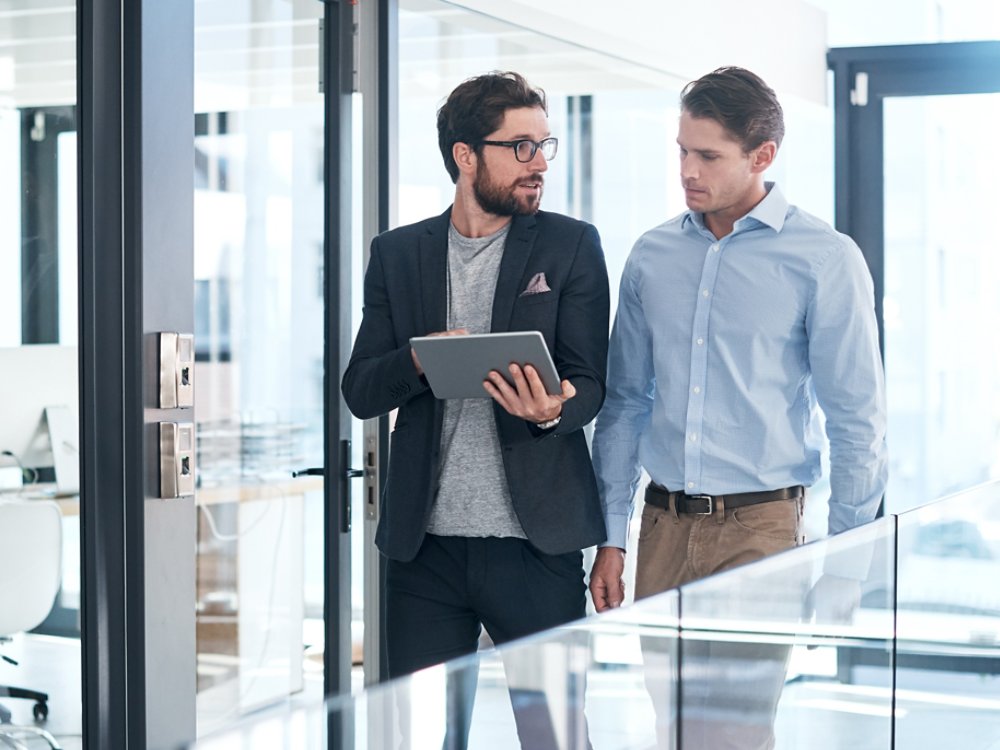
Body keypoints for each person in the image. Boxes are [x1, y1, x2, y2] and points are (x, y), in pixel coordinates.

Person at [588, 66, 888, 748]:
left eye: (708, 156)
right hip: (661, 527)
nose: (688, 171)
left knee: (736, 735)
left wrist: (846, 561)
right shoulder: (652, 255)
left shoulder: (824, 258)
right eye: (682, 151)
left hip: (760, 532)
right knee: (672, 728)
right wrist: (611, 535)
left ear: (763, 156)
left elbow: (856, 418)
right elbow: (626, 404)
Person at [342, 70, 609, 748]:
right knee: (418, 738)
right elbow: (362, 389)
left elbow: (592, 381)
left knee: (553, 736)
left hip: (536, 547)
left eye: (544, 145)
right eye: (520, 147)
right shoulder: (398, 254)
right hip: (423, 552)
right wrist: (419, 360)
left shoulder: (571, 245)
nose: (540, 162)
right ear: (466, 156)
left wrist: (553, 409)